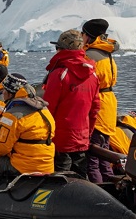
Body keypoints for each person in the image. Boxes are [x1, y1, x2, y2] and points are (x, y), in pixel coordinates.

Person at [42, 29, 100, 179]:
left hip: (60, 139)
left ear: (62, 49)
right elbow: (94, 109)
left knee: (61, 181)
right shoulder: (92, 75)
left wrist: (44, 136)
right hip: (81, 138)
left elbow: (48, 109)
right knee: (80, 179)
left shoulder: (59, 73)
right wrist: (87, 134)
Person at [0, 73, 55, 175]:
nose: (3, 93)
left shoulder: (13, 116)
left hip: (24, 168)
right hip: (46, 166)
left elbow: (0, 149)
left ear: (10, 93)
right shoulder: (44, 110)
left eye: (4, 90)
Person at [82, 18, 119, 183]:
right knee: (104, 154)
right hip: (109, 104)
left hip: (98, 106)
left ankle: (99, 193)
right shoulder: (106, 53)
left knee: (93, 157)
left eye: (83, 34)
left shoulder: (90, 56)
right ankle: (111, 184)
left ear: (88, 36)